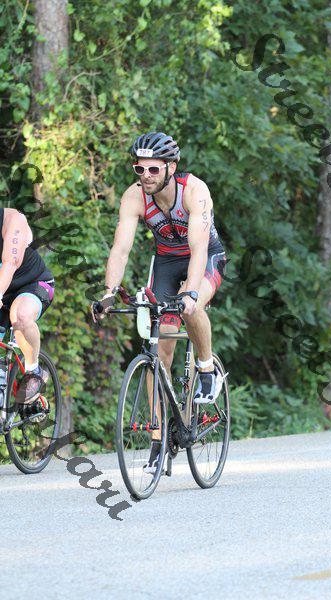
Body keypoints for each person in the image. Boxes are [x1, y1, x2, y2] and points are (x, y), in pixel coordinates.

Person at [93, 131, 227, 472]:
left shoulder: (194, 191)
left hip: (203, 258)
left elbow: (198, 249)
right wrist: (109, 292)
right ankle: (158, 438)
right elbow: (120, 249)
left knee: (191, 306)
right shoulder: (134, 196)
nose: (146, 176)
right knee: (158, 350)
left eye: (153, 169)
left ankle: (207, 367)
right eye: (140, 169)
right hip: (166, 262)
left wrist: (190, 293)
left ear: (171, 167)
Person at [0, 208, 54, 403]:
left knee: (20, 315)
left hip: (34, 284)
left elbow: (10, 263)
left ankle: (33, 371)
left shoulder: (13, 220)